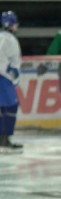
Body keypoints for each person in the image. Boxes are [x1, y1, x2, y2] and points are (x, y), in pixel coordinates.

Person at [0, 10, 22, 152]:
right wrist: (10, 71)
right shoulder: (7, 39)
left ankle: (3, 138)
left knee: (4, 107)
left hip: (3, 75)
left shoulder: (5, 37)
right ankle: (5, 138)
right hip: (3, 77)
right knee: (11, 106)